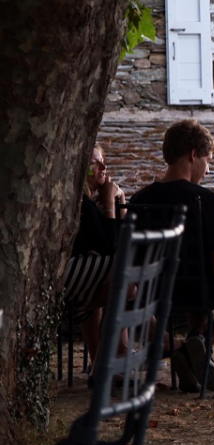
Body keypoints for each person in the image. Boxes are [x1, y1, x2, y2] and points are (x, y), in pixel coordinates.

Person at [131, 119, 214, 393]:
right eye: (207, 160)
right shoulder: (205, 199)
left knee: (198, 287)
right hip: (197, 291)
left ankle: (190, 350)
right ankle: (196, 343)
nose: (207, 170)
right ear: (193, 154)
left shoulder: (140, 201)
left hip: (153, 292)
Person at [63, 145, 125, 369]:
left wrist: (121, 200)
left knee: (114, 281)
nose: (103, 167)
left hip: (77, 274)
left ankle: (101, 362)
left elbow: (114, 242)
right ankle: (161, 344)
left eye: (102, 161)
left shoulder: (87, 203)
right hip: (67, 275)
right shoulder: (82, 202)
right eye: (94, 163)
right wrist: (110, 203)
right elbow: (113, 249)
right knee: (128, 277)